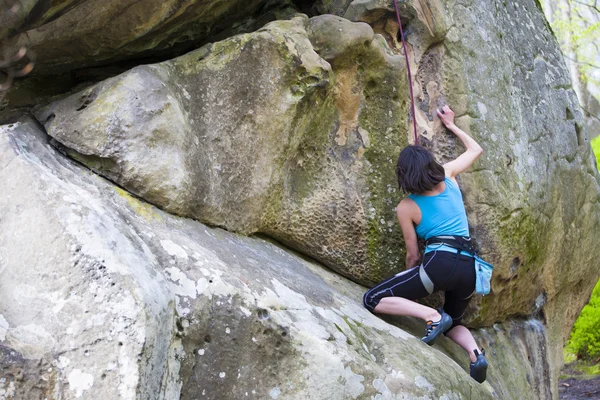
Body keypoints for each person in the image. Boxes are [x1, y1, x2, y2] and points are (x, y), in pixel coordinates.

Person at [362, 105, 488, 383]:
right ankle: (476, 353)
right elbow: (475, 150)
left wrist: (413, 287)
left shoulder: (406, 206)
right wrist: (452, 125)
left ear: (404, 175)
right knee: (454, 322)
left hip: (438, 263)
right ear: (430, 164)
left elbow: (412, 255)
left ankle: (431, 315)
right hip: (469, 267)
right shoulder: (448, 174)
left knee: (372, 299)